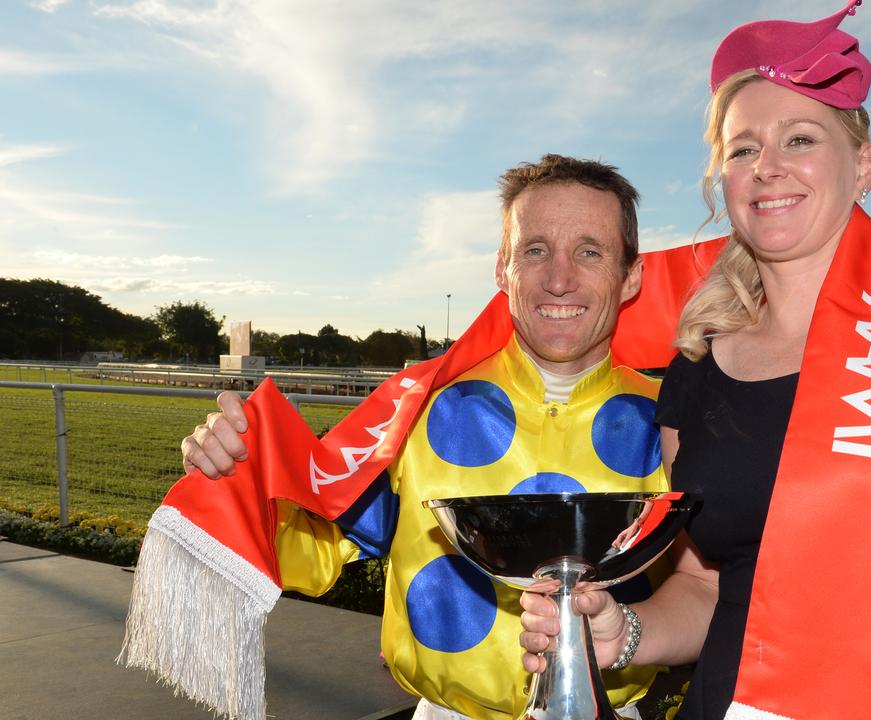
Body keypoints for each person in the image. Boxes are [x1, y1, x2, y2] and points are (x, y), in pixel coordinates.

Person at [518, 4, 871, 719]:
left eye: (800, 138)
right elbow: (707, 588)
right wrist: (623, 632)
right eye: (742, 148)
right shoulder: (697, 368)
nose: (767, 168)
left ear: (864, 167)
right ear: (722, 179)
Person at [181, 154, 672, 720]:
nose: (559, 278)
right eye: (534, 250)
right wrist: (237, 471)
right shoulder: (416, 407)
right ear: (501, 269)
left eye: (590, 252)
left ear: (630, 275)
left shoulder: (676, 420)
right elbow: (312, 551)